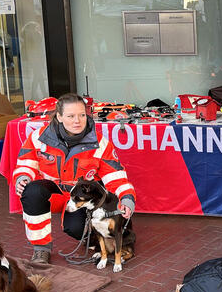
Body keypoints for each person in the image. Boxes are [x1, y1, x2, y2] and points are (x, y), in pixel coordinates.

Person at [13, 93, 136, 264]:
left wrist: (127, 199)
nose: (77, 121)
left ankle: (97, 244)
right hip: (54, 194)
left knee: (76, 229)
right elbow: (25, 164)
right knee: (31, 191)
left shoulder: (100, 143)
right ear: (59, 116)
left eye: (82, 115)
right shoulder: (38, 137)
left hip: (82, 200)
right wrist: (22, 178)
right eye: (71, 116)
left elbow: (116, 178)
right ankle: (41, 249)